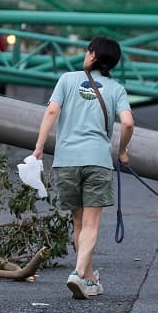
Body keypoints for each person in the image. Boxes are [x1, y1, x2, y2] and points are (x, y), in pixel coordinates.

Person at [32, 35, 134, 299]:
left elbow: (52, 112)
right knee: (91, 224)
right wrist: (122, 150)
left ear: (92, 56)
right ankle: (79, 273)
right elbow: (128, 123)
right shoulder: (116, 89)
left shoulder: (67, 80)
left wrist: (39, 147)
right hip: (97, 161)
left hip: (66, 161)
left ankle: (88, 279)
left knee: (78, 222)